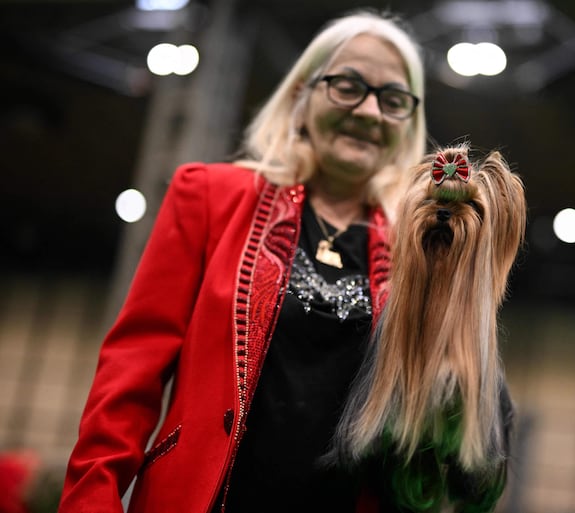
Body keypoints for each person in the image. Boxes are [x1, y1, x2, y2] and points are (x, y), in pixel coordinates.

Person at [58, 10, 427, 513]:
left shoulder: (417, 250)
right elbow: (130, 375)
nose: (368, 111)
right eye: (347, 85)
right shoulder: (209, 196)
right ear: (302, 94)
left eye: (393, 100)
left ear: (408, 122)